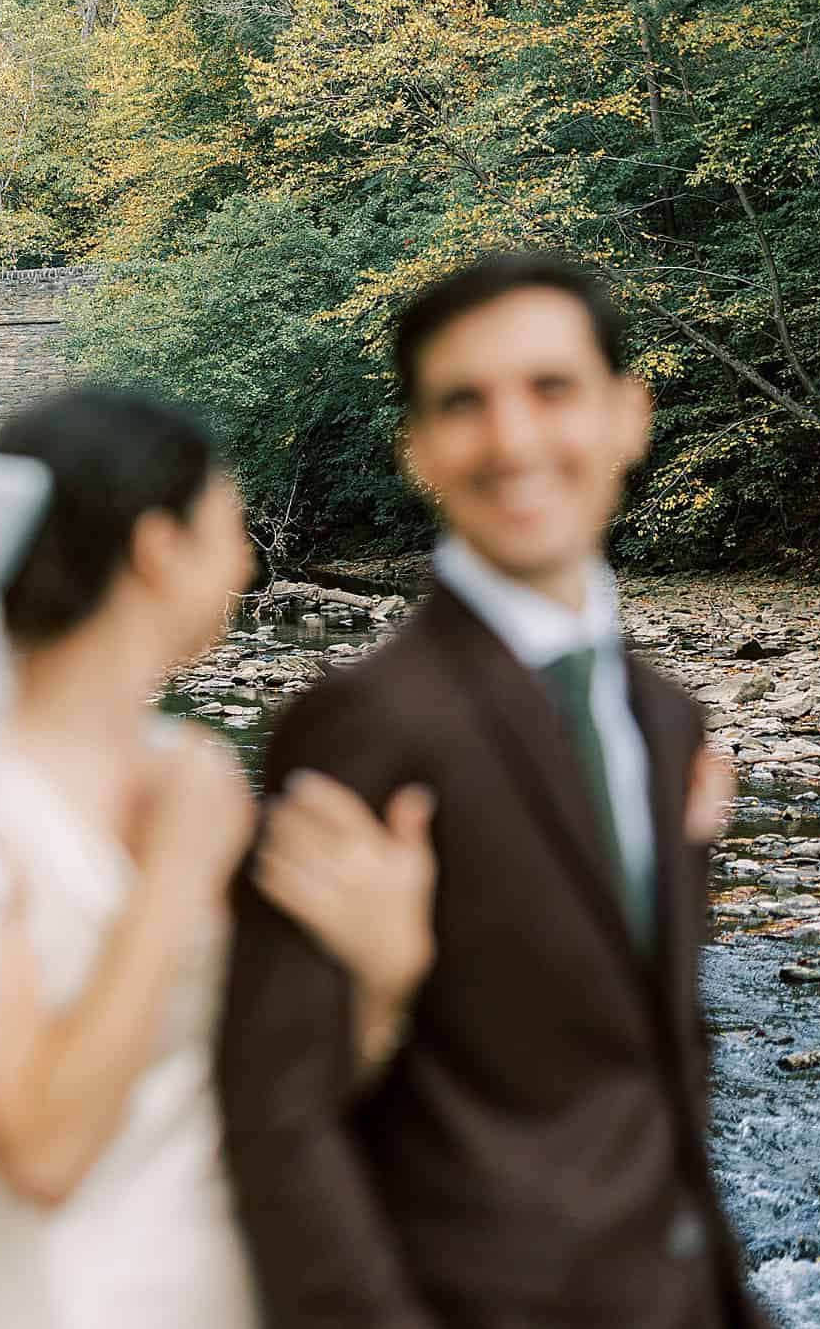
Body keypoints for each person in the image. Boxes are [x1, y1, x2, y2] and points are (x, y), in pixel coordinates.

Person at [0, 389, 437, 1329]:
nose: (248, 562)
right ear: (158, 547)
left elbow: (267, 1099)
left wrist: (386, 973)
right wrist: (172, 882)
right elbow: (42, 1151)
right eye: (231, 527)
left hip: (231, 1282)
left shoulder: (191, 768)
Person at [219, 253, 765, 1329]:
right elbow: (273, 1114)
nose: (512, 440)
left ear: (627, 415)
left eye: (550, 390)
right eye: (464, 403)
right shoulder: (364, 723)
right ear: (417, 448)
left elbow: (655, 1058)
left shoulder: (668, 724)